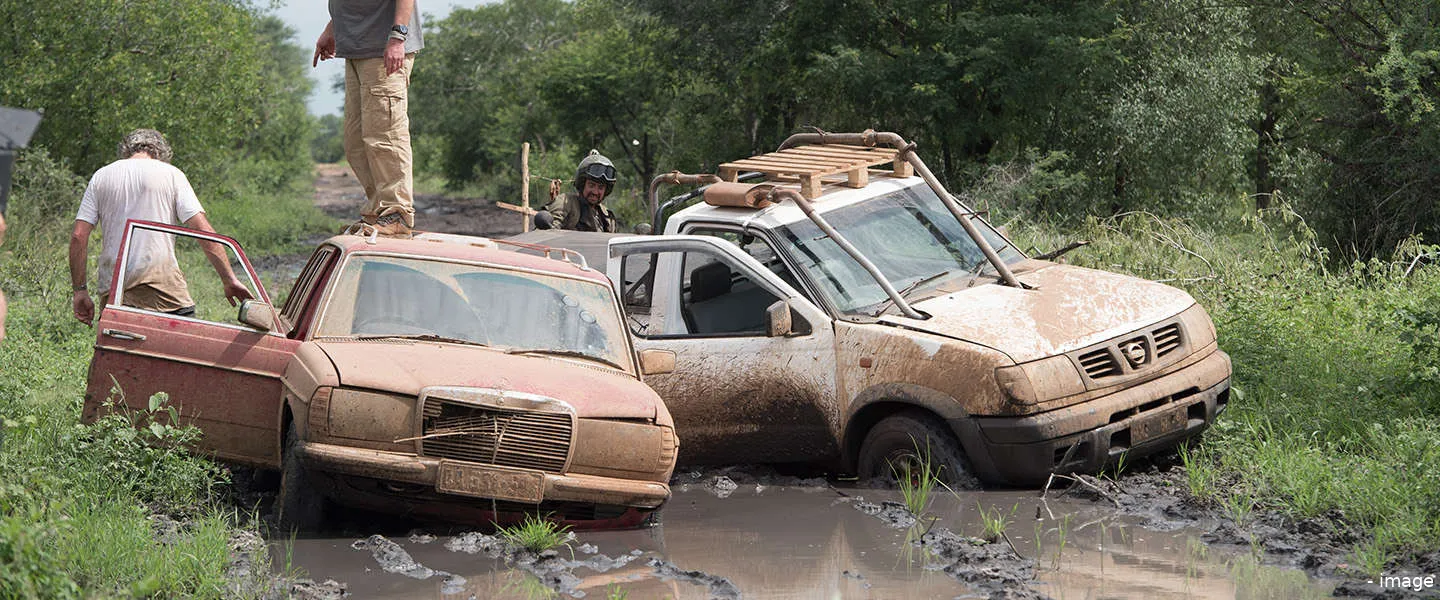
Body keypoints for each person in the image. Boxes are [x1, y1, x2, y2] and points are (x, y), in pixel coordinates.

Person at [69, 129, 251, 325]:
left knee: (117, 350)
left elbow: (79, 236)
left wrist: (80, 291)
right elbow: (202, 230)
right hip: (162, 288)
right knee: (182, 350)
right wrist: (229, 279)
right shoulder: (171, 174)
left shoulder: (101, 176)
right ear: (160, 152)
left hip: (115, 290)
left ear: (126, 150)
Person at [313, 0, 424, 238]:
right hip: (356, 49)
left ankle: (398, 214)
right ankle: (377, 213)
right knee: (357, 143)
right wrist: (332, 29)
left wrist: (397, 37)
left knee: (385, 138)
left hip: (384, 49)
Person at [537, 150, 620, 232]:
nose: (595, 192)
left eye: (601, 188)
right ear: (582, 184)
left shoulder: (607, 217)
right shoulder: (566, 203)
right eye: (591, 185)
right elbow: (548, 233)